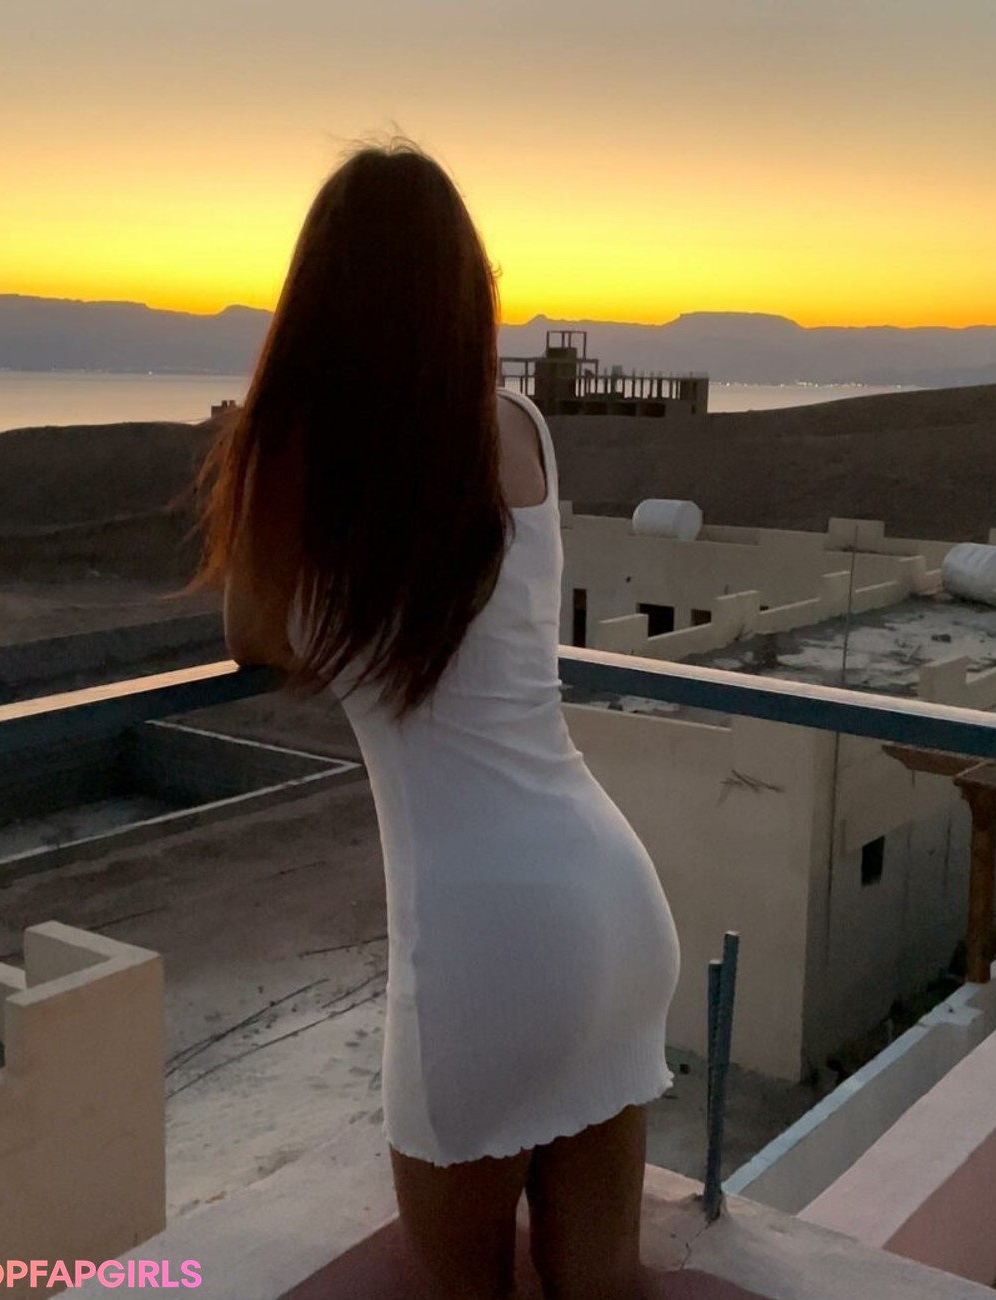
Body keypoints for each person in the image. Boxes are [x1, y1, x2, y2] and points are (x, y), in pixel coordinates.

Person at [188, 136, 681, 1300]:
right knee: (601, 1281)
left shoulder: (299, 471)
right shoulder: (521, 427)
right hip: (615, 898)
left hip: (483, 938)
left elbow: (256, 635)